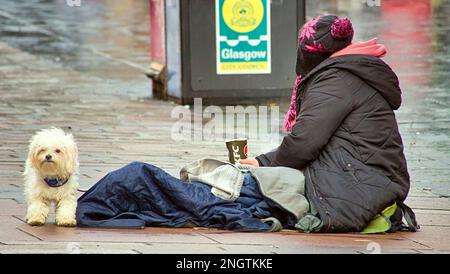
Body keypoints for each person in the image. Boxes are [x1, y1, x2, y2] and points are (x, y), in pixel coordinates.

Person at [240, 15, 414, 232]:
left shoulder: (336, 79)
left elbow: (305, 142)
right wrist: (266, 162)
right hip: (373, 180)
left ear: (313, 53)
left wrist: (263, 163)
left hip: (359, 188)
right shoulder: (347, 70)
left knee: (241, 191)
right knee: (247, 191)